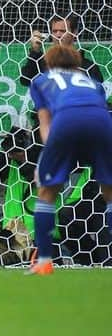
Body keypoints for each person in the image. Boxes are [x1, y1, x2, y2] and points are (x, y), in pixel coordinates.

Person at [27, 44, 112, 275]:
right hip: (104, 126)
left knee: (47, 193)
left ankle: (44, 260)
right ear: (77, 64)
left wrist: (46, 159)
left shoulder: (41, 81)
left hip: (65, 123)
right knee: (109, 194)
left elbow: (46, 124)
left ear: (48, 63)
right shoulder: (92, 83)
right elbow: (97, 110)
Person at [19, 16, 105, 88]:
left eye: (63, 31)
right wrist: (35, 51)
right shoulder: (42, 62)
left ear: (74, 33)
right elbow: (25, 81)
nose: (58, 35)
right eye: (54, 31)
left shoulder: (88, 66)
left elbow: (97, 93)